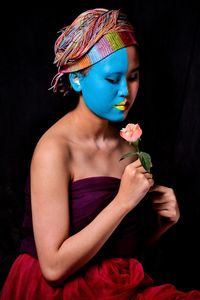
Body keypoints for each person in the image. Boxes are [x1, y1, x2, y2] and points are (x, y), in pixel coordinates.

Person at [1, 8, 200, 300]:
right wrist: (123, 202)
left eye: (133, 77)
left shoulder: (127, 145)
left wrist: (161, 225)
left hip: (113, 285)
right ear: (77, 80)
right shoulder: (54, 150)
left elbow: (119, 250)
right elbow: (54, 268)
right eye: (112, 79)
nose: (125, 92)